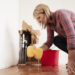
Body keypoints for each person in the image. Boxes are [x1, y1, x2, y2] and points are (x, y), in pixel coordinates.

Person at [33, 4, 75, 74]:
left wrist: (71, 60)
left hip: (73, 37)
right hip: (73, 39)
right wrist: (37, 50)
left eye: (39, 17)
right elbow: (49, 42)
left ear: (45, 12)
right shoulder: (49, 25)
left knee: (69, 39)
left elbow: (72, 36)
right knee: (56, 40)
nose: (39, 21)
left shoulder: (61, 14)